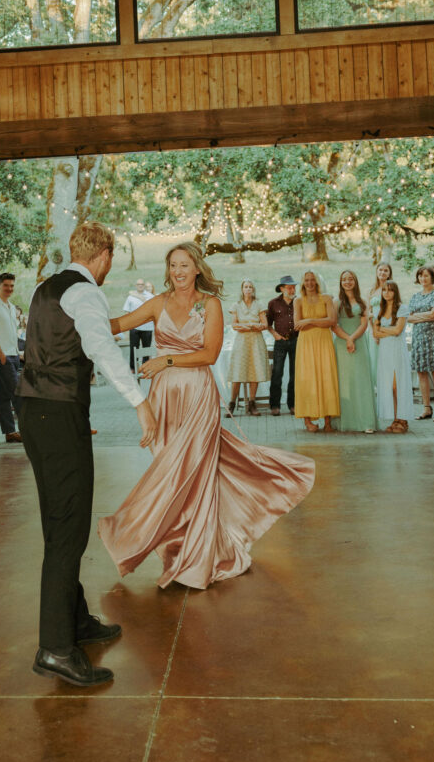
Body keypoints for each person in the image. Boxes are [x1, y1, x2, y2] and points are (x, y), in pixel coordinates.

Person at [98, 242, 314, 591]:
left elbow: (211, 354)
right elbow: (115, 325)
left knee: (194, 475)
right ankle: (180, 548)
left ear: (197, 268)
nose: (178, 271)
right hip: (165, 399)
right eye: (172, 265)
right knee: (172, 476)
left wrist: (165, 360)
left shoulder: (210, 304)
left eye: (184, 264)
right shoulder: (158, 303)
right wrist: (83, 306)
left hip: (198, 394)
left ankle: (197, 559)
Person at [16, 222, 157, 688]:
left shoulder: (47, 287)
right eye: (111, 257)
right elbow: (102, 350)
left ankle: (74, 621)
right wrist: (141, 403)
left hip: (35, 410)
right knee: (68, 525)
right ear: (104, 255)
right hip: (58, 415)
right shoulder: (84, 291)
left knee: (61, 519)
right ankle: (56, 648)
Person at [294, 271, 339, 433]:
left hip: (324, 342)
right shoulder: (298, 301)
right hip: (306, 344)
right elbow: (297, 324)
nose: (310, 283)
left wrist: (310, 321)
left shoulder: (327, 298)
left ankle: (328, 421)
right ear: (303, 282)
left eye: (313, 280)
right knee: (307, 379)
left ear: (317, 282)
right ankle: (308, 421)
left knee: (327, 377)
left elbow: (332, 321)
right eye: (307, 280)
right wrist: (319, 322)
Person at [332, 271, 376, 433]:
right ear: (340, 282)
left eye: (350, 279)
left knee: (361, 379)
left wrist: (353, 339)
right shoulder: (336, 302)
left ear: (355, 281)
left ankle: (366, 421)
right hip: (341, 344)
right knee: (344, 381)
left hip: (359, 342)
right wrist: (347, 339)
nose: (347, 282)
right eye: (344, 279)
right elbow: (334, 325)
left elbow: (364, 324)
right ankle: (346, 421)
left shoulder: (362, 301)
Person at [373, 282, 414, 433]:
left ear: (395, 292)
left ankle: (403, 419)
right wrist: (387, 330)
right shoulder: (379, 309)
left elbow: (398, 330)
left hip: (397, 350)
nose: (386, 293)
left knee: (398, 385)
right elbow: (375, 334)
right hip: (385, 351)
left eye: (390, 290)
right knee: (389, 386)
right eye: (384, 290)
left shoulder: (402, 308)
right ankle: (395, 418)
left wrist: (383, 329)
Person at [408, 266, 434, 423]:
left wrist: (422, 316)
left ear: (432, 277)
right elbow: (408, 318)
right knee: (421, 372)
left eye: (426, 276)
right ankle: (426, 408)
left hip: (433, 337)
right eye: (420, 276)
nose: (423, 279)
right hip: (418, 338)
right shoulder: (415, 296)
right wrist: (427, 316)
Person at [226, 278, 269, 416]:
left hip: (256, 341)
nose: (248, 289)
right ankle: (232, 403)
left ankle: (252, 403)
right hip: (242, 342)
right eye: (246, 287)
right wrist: (247, 326)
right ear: (242, 289)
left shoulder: (259, 305)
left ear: (253, 289)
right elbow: (234, 325)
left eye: (250, 287)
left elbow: (265, 324)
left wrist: (254, 326)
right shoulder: (236, 305)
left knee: (254, 371)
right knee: (238, 372)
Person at [0, 272, 22, 444]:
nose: (9, 289)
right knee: (17, 393)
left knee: (4, 396)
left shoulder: (10, 306)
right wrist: (0, 354)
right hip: (2, 356)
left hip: (14, 354)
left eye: (12, 286)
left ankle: (10, 432)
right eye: (6, 286)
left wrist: (18, 353)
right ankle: (28, 430)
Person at [266, 276, 298, 416]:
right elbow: (267, 323)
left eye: (293, 287)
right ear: (282, 288)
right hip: (280, 341)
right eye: (289, 287)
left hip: (296, 340)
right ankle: (275, 405)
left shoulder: (298, 302)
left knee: (295, 374)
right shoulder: (273, 303)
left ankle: (293, 404)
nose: (292, 290)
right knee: (277, 373)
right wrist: (274, 334)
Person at [122, 277, 154, 373]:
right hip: (134, 327)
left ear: (144, 285)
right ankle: (133, 368)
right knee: (133, 348)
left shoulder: (150, 296)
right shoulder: (130, 297)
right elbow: (127, 312)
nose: (140, 286)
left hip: (147, 327)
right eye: (138, 284)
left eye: (142, 284)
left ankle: (146, 367)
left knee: (146, 348)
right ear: (136, 286)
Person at [367, 261, 393, 380]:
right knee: (375, 360)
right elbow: (368, 313)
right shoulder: (372, 290)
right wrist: (373, 332)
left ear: (389, 274)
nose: (382, 272)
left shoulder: (392, 288)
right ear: (376, 272)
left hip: (386, 329)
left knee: (387, 360)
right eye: (380, 270)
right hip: (373, 331)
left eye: (385, 270)